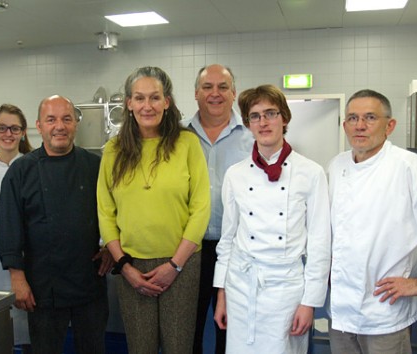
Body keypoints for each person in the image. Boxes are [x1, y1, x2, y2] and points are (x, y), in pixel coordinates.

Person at [328, 89, 417, 354]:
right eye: (352, 118)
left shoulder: (407, 165)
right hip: (342, 311)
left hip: (384, 312)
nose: (360, 125)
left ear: (389, 125)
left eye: (370, 117)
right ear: (344, 124)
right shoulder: (336, 166)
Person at [97, 66, 211, 353]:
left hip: (182, 264)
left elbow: (200, 208)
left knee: (178, 346)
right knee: (140, 347)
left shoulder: (187, 144)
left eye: (155, 97)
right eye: (139, 98)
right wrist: (124, 266)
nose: (147, 105)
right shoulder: (113, 150)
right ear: (129, 103)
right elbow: (105, 213)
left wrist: (175, 265)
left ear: (167, 102)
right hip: (132, 265)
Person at [213, 84, 331, 353]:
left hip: (286, 291)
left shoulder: (311, 173)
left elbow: (320, 243)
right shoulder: (236, 174)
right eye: (255, 116)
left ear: (284, 118)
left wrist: (310, 302)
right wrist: (222, 293)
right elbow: (228, 238)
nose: (263, 122)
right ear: (247, 124)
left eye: (270, 113)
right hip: (241, 287)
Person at [0, 95, 112, 353]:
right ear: (39, 126)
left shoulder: (96, 166)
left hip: (89, 281)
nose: (59, 126)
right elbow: (9, 227)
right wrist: (17, 278)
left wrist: (110, 248)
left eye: (66, 119)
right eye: (51, 120)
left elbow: (115, 212)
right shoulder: (21, 171)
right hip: (43, 285)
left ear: (76, 124)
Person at [183, 64, 254, 354]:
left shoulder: (253, 137)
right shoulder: (177, 136)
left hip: (238, 250)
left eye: (222, 87)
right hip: (189, 250)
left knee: (232, 329)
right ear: (196, 94)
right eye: (208, 87)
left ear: (233, 93)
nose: (215, 94)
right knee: (189, 329)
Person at [0, 104, 33, 351]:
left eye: (14, 128)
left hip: (31, 254)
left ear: (23, 132)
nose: (8, 133)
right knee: (1, 329)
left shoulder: (35, 167)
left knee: (32, 325)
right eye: (2, 128)